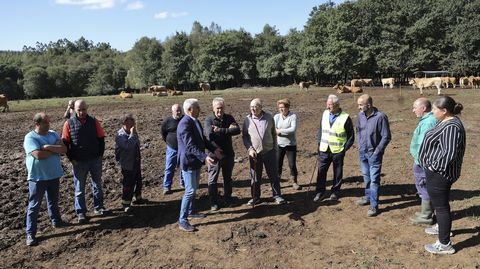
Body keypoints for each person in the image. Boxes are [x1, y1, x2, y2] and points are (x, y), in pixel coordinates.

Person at [419, 96, 466, 255]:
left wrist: (433, 167)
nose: (432, 112)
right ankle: (441, 227)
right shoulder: (446, 121)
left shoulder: (452, 126)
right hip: (437, 172)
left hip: (441, 173)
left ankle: (445, 244)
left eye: (434, 109)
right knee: (440, 205)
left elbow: (449, 153)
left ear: (444, 111)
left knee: (441, 207)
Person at [177, 98, 222, 232]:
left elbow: (202, 140)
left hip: (195, 161)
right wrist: (205, 156)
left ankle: (191, 211)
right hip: (189, 161)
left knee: (194, 188)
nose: (200, 109)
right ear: (190, 110)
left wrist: (213, 149)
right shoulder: (184, 124)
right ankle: (182, 220)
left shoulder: (194, 121)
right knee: (190, 191)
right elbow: (190, 146)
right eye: (197, 107)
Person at [24, 112, 67, 246]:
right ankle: (30, 233)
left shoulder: (53, 134)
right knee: (34, 206)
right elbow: (38, 155)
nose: (49, 124)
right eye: (45, 122)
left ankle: (56, 221)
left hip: (53, 174)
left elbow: (64, 149)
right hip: (38, 177)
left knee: (53, 201)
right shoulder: (30, 137)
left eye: (49, 122)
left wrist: (48, 147)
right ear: (37, 124)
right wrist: (55, 150)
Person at [62, 100, 107, 224]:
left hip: (94, 160)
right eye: (79, 110)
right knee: (79, 189)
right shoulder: (68, 123)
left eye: (84, 109)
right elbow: (65, 142)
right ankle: (81, 212)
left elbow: (101, 138)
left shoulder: (94, 121)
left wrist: (100, 155)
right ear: (74, 110)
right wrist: (72, 159)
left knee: (97, 185)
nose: (82, 112)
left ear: (87, 109)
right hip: (79, 162)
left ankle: (99, 208)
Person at [242, 98, 286, 206]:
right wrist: (250, 149)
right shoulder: (247, 120)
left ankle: (276, 195)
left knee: (273, 175)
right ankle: (255, 197)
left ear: (261, 107)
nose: (253, 108)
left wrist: (275, 149)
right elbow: (245, 137)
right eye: (251, 106)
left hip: (269, 152)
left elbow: (273, 134)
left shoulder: (269, 117)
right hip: (255, 154)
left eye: (256, 106)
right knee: (255, 177)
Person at [355, 94, 391, 217]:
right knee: (366, 177)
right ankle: (368, 197)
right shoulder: (360, 116)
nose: (358, 107)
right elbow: (358, 131)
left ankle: (374, 206)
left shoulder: (381, 117)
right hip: (363, 152)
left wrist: (377, 151)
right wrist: (359, 144)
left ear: (369, 105)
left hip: (374, 154)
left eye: (360, 105)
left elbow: (386, 136)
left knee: (374, 179)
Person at [314, 94, 354, 202]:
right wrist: (319, 143)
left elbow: (351, 136)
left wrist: (344, 149)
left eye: (330, 105)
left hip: (338, 151)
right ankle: (320, 192)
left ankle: (335, 192)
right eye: (327, 104)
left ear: (337, 105)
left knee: (337, 172)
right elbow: (321, 130)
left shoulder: (345, 117)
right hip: (324, 149)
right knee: (321, 172)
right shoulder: (325, 113)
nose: (328, 107)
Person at [204, 97, 241, 211]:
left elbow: (237, 130)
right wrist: (228, 130)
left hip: (228, 154)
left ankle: (228, 199)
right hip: (214, 155)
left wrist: (221, 130)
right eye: (217, 108)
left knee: (228, 179)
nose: (220, 111)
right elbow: (209, 136)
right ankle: (213, 202)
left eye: (221, 108)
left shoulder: (229, 117)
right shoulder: (209, 120)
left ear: (224, 108)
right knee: (212, 180)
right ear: (213, 108)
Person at [409, 98, 437, 225]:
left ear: (424, 108)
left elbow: (424, 145)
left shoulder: (428, 123)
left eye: (415, 107)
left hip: (423, 162)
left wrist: (420, 161)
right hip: (421, 160)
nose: (413, 110)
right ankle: (425, 211)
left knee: (424, 185)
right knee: (422, 185)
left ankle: (426, 216)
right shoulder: (427, 120)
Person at [115, 113, 146, 213]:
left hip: (136, 161)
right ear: (124, 123)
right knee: (128, 184)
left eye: (133, 122)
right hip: (127, 164)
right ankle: (126, 204)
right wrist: (133, 134)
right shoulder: (120, 135)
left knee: (138, 181)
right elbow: (128, 146)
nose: (133, 124)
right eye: (131, 122)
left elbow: (137, 145)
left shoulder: (133, 132)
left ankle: (138, 197)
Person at [274, 98, 301, 190]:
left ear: (288, 107)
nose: (281, 109)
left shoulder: (293, 116)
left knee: (292, 164)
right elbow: (273, 129)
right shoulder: (276, 117)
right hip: (279, 144)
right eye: (279, 108)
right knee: (278, 164)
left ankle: (294, 181)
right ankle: (277, 182)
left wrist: (280, 131)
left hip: (290, 145)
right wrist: (277, 131)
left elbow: (292, 130)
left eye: (283, 107)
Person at [160, 104, 184, 194]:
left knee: (183, 166)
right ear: (172, 112)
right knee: (169, 167)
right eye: (176, 111)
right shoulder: (167, 121)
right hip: (172, 148)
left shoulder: (184, 119)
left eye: (179, 110)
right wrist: (169, 142)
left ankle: (183, 183)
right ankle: (167, 186)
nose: (178, 112)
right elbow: (163, 132)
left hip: (183, 149)